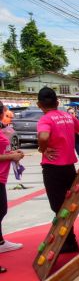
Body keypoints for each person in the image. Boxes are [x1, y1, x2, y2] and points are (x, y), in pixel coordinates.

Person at [36, 87, 79, 253]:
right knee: (67, 206)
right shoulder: (68, 116)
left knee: (59, 208)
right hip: (69, 169)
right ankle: (70, 241)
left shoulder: (45, 120)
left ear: (39, 105)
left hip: (53, 169)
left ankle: (69, 242)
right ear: (58, 102)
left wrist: (43, 149)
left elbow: (44, 136)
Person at [0, 99, 25, 260]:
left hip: (2, 176)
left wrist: (12, 155)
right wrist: (12, 156)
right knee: (1, 209)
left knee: (1, 209)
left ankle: (1, 241)